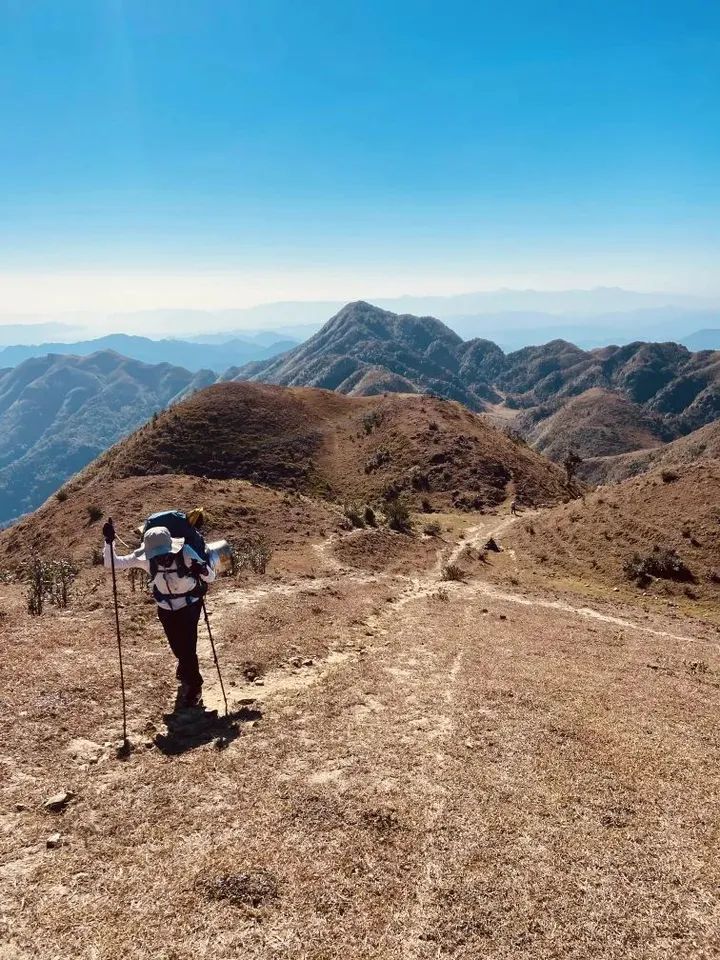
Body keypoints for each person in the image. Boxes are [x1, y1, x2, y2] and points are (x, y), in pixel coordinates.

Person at [102, 519, 216, 707]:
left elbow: (210, 576)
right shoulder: (144, 557)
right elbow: (112, 564)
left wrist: (202, 569)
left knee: (188, 648)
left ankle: (195, 687)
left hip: (189, 606)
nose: (161, 557)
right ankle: (185, 668)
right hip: (165, 608)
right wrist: (109, 542)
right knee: (177, 647)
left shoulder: (186, 552)